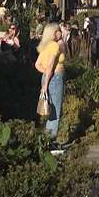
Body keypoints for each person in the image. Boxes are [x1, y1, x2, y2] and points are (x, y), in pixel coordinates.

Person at [35, 22, 68, 151]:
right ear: (53, 33)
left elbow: (37, 64)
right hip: (55, 79)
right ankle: (50, 142)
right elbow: (50, 65)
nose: (60, 32)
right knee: (55, 111)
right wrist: (48, 78)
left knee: (52, 109)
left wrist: (45, 76)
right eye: (58, 30)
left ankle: (48, 140)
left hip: (48, 77)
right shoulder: (54, 46)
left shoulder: (46, 46)